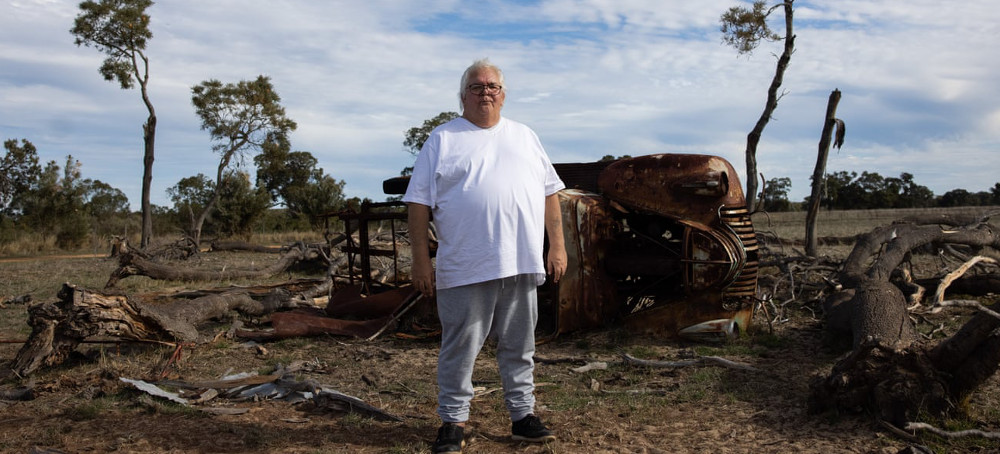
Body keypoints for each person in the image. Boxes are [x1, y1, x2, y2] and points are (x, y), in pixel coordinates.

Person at [403, 58, 567, 454]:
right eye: (477, 87)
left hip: (520, 262)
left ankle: (522, 417)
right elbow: (418, 203)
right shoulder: (443, 139)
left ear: (503, 94)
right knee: (460, 347)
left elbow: (550, 194)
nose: (485, 92)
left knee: (519, 345)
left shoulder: (525, 136)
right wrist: (421, 260)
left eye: (492, 86)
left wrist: (557, 246)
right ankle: (453, 422)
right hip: (465, 265)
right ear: (463, 96)